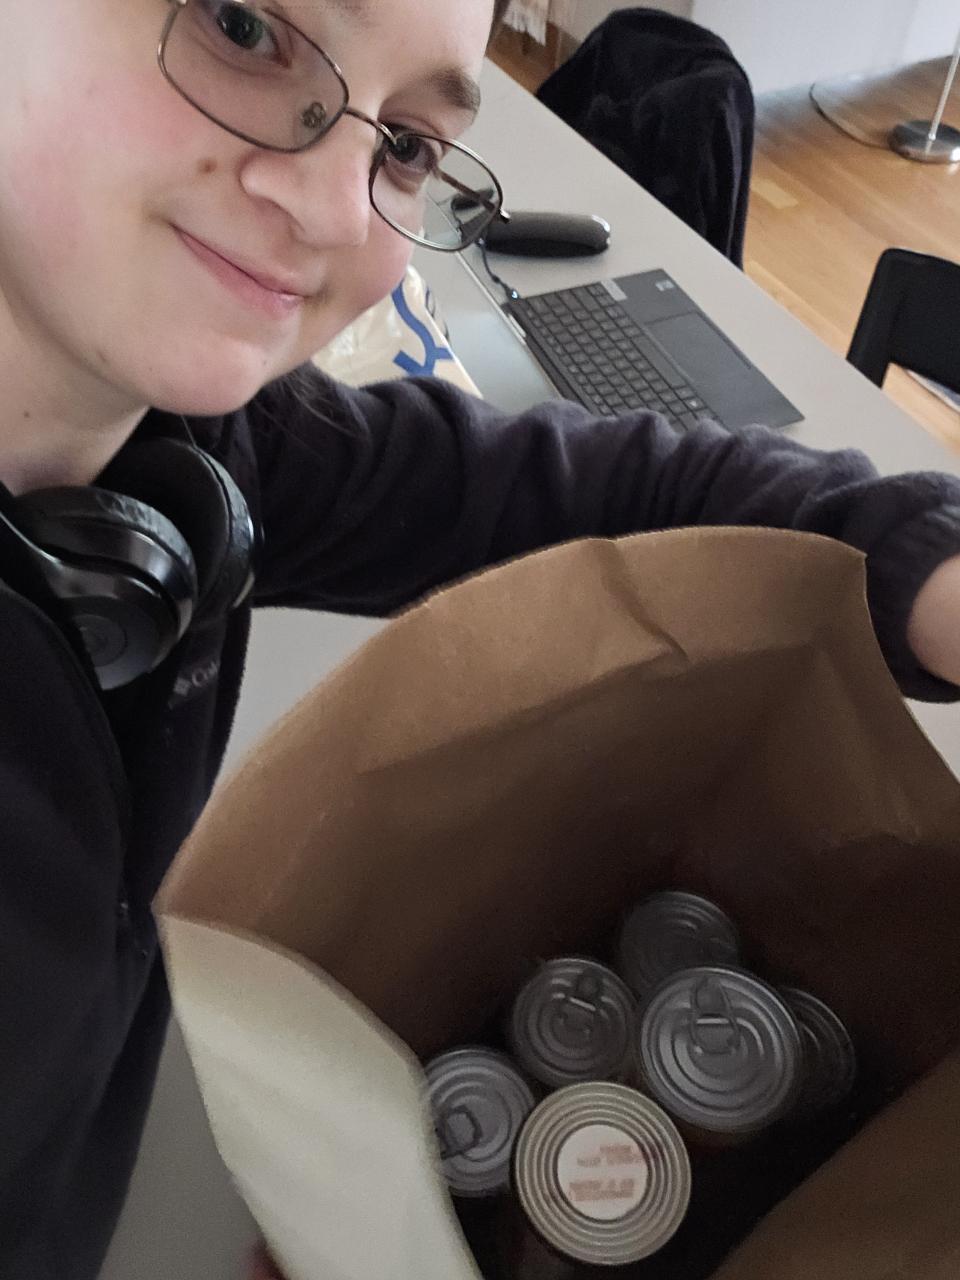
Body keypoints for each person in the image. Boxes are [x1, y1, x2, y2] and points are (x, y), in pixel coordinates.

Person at [2, 1, 960, 1278]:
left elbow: (571, 489)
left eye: (402, 144)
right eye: (243, 26)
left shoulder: (196, 445)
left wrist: (920, 561)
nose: (335, 208)